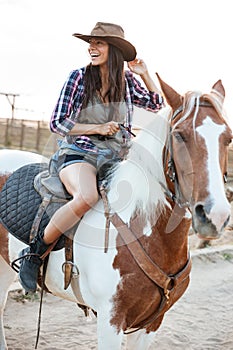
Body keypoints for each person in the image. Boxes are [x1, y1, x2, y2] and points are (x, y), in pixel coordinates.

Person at [18, 21, 164, 293]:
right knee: (87, 197)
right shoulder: (78, 77)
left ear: (115, 49)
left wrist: (145, 74)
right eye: (91, 42)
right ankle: (34, 254)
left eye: (99, 43)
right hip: (79, 153)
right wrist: (96, 127)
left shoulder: (128, 81)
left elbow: (156, 105)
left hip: (118, 158)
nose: (91, 47)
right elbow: (58, 123)